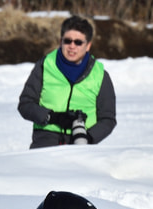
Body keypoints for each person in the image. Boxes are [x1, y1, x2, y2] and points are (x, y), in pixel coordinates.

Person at [18, 16, 116, 149]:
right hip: (45, 141)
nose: (72, 46)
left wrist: (89, 137)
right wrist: (52, 117)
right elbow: (25, 104)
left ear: (88, 46)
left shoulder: (100, 75)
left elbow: (108, 119)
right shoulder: (45, 66)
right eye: (67, 41)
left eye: (78, 42)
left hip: (82, 145)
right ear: (60, 41)